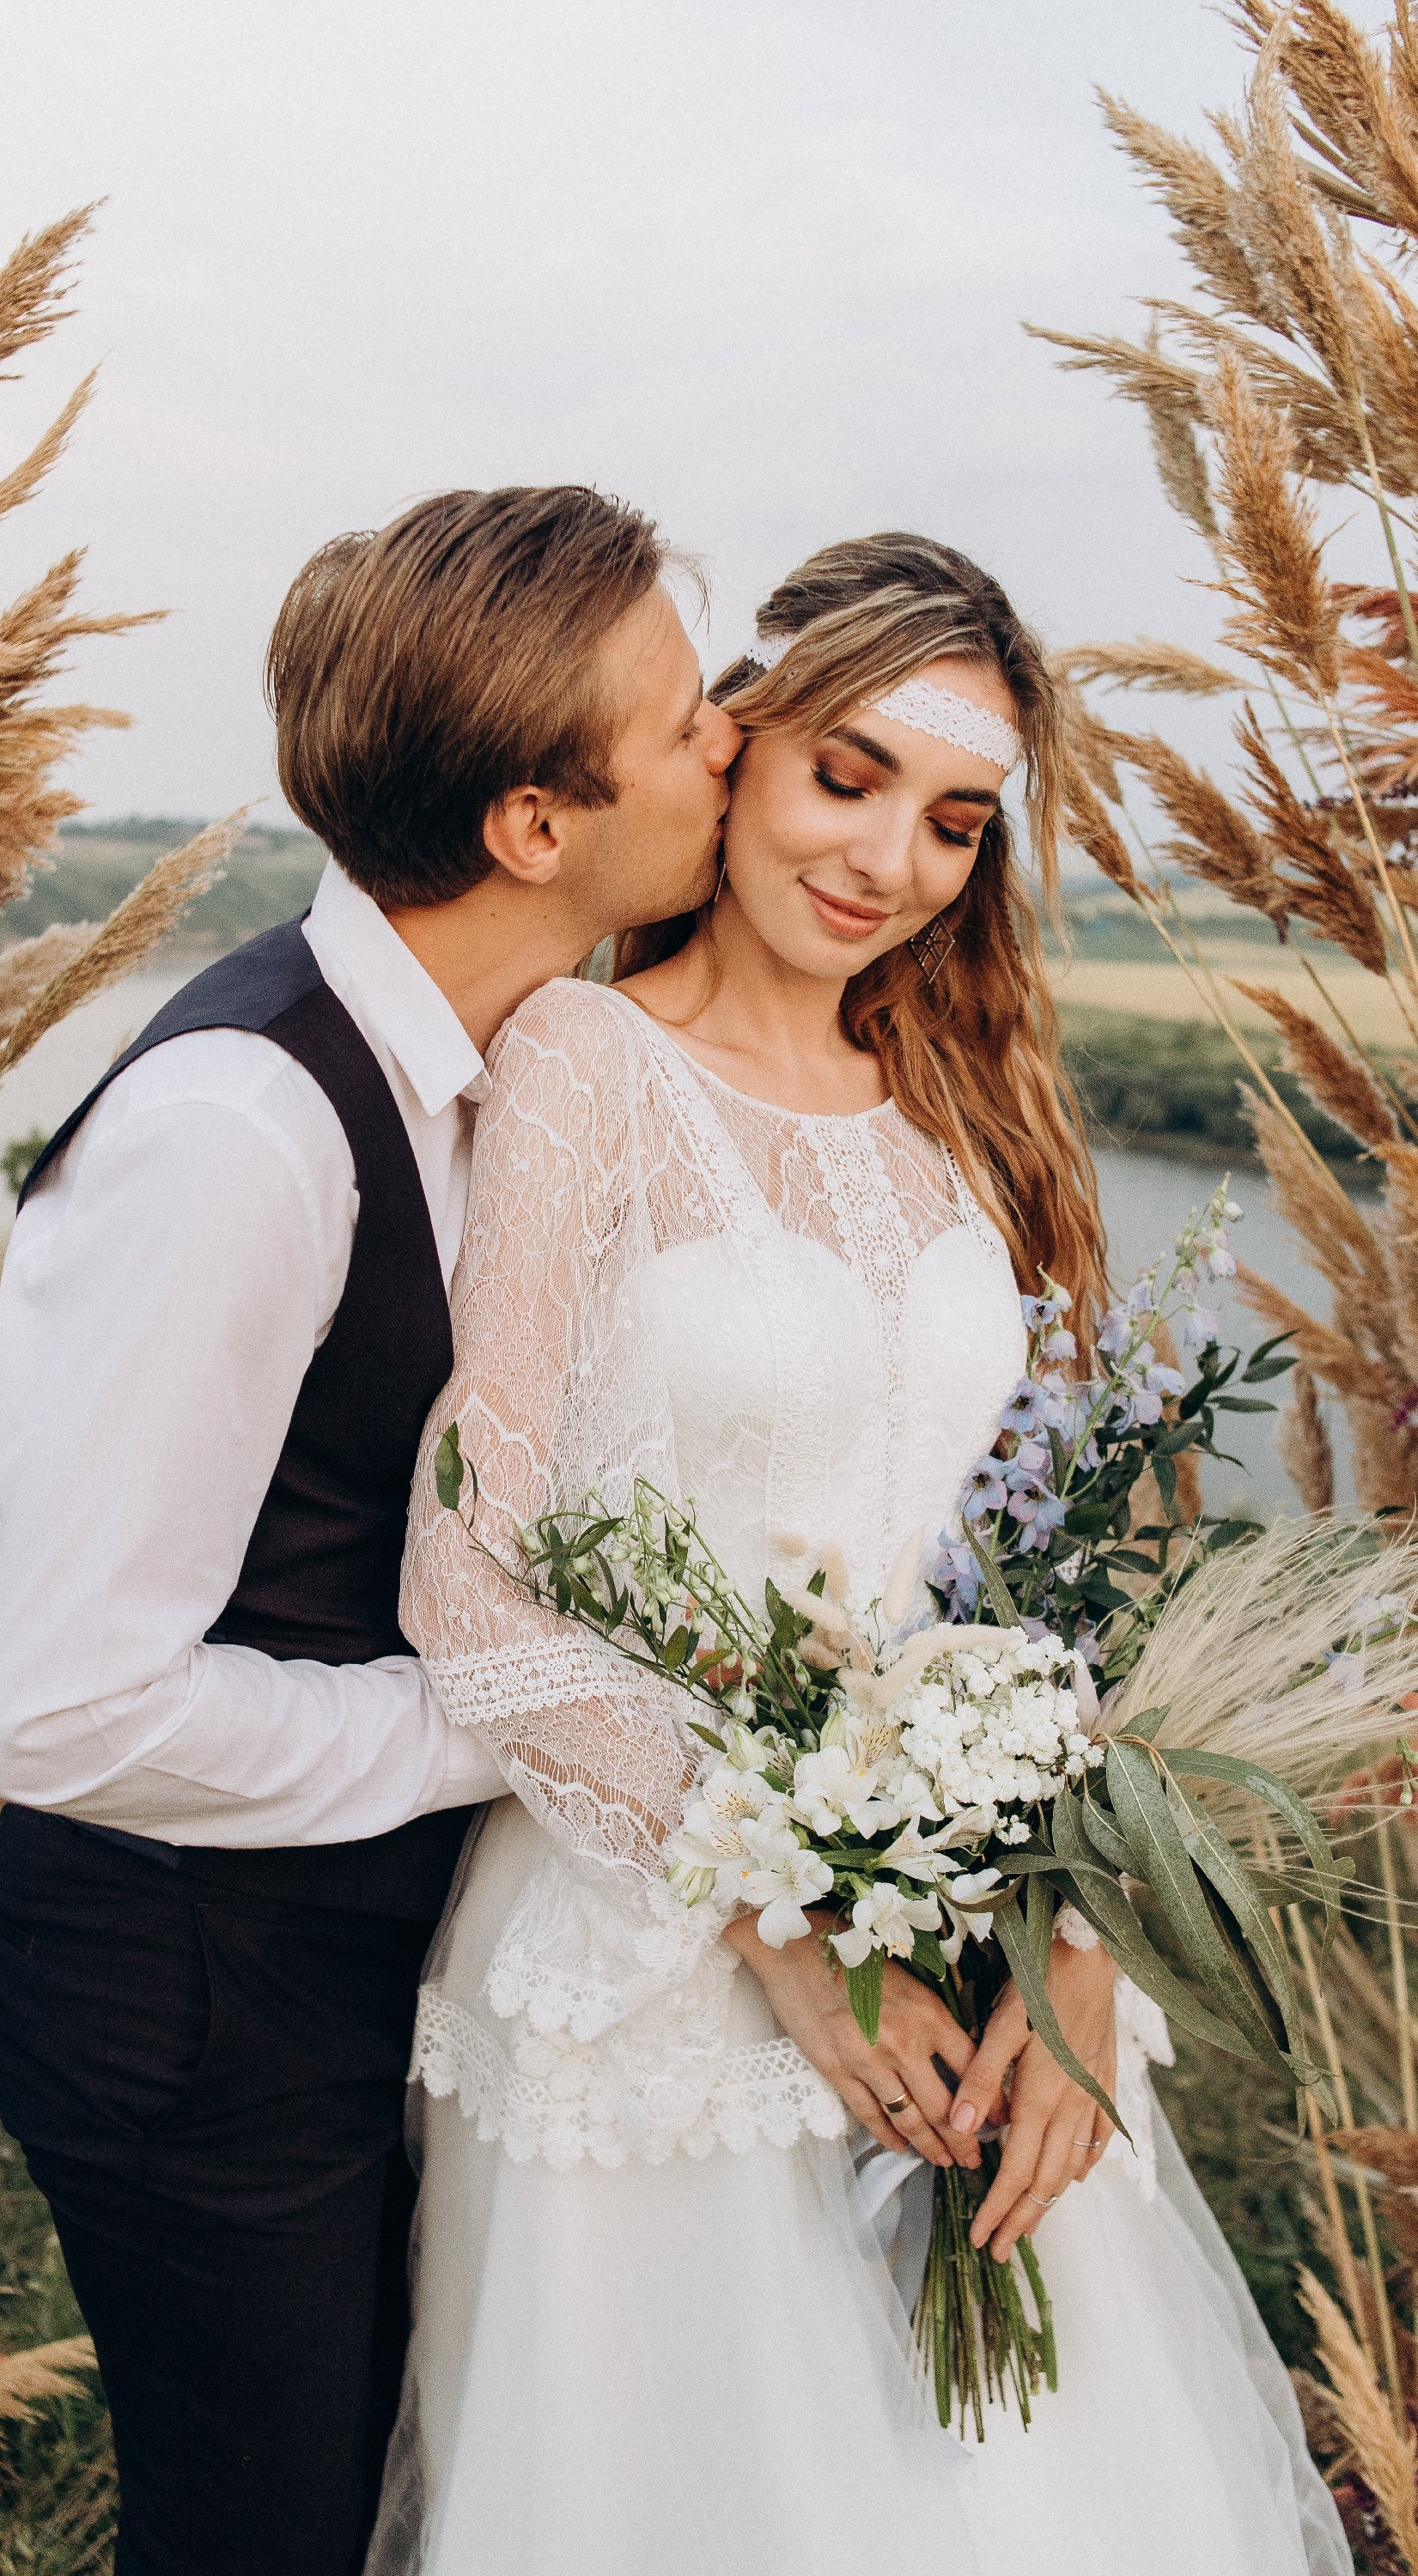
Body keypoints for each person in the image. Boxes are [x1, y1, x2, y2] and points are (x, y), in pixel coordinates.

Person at [378, 532, 1350, 2576]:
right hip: (655, 1963)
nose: (890, 857)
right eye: (848, 776)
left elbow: (1048, 1585)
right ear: (735, 746)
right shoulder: (585, 1067)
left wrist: (1078, 1942)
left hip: (979, 1959)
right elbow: (467, 1567)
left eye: (954, 820)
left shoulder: (962, 1118)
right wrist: (785, 1927)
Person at [0, 483, 742, 2576]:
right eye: (682, 723)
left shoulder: (501, 1068)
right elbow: (64, 1710)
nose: (729, 743)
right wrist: (499, 1721)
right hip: (188, 2001)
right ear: (533, 827)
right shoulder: (247, 1132)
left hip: (342, 1957)